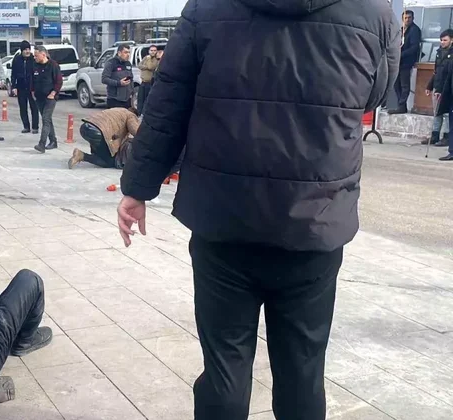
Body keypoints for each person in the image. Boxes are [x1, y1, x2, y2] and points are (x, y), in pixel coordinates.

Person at [116, 0, 399, 419]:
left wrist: (138, 187)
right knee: (303, 373)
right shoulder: (374, 13)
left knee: (225, 373)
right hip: (314, 221)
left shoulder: (207, 7)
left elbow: (169, 101)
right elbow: (374, 93)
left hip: (224, 221)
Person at [69, 107, 139, 169]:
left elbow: (115, 134)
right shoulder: (131, 115)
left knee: (101, 153)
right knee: (108, 161)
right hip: (97, 131)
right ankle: (81, 155)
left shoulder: (119, 111)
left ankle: (85, 155)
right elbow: (135, 131)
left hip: (86, 127)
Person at [390, 10, 422, 115]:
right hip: (398, 61)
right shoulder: (402, 29)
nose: (407, 20)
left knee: (404, 85)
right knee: (396, 84)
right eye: (405, 18)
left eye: (409, 17)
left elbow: (414, 47)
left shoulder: (414, 30)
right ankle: (401, 105)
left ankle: (401, 105)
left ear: (413, 18)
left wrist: (400, 54)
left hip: (406, 62)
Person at [32, 46, 62, 153]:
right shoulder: (35, 65)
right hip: (39, 97)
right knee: (47, 119)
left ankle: (42, 144)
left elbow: (59, 81)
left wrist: (53, 93)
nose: (34, 57)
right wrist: (32, 92)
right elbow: (32, 80)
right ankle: (53, 141)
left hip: (50, 97)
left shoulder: (53, 65)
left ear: (43, 54)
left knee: (45, 119)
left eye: (36, 55)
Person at [426, 30, 453, 147]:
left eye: (445, 40)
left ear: (452, 40)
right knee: (437, 112)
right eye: (441, 40)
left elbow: (448, 74)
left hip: (447, 88)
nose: (442, 42)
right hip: (437, 86)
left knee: (446, 113)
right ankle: (435, 135)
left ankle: (447, 137)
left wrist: (442, 90)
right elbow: (436, 71)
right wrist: (430, 85)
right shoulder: (439, 52)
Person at [11, 41, 39, 134]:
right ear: (22, 50)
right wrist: (14, 86)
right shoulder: (17, 59)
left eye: (28, 49)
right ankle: (26, 126)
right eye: (25, 49)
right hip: (21, 87)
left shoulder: (33, 59)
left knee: (34, 107)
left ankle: (35, 127)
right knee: (23, 108)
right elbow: (13, 74)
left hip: (32, 87)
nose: (27, 51)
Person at [101, 44, 134, 109]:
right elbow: (104, 79)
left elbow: (131, 79)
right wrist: (119, 83)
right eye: (125, 52)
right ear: (119, 53)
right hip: (114, 99)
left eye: (129, 52)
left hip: (127, 100)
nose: (128, 54)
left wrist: (131, 92)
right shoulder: (111, 63)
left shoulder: (128, 64)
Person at [136, 46, 159, 116]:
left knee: (147, 100)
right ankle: (138, 113)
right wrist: (145, 67)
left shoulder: (156, 59)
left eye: (154, 50)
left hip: (150, 83)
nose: (153, 52)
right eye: (151, 50)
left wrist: (148, 61)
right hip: (143, 82)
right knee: (140, 99)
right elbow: (139, 65)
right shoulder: (146, 57)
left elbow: (151, 67)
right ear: (149, 51)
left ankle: (144, 114)